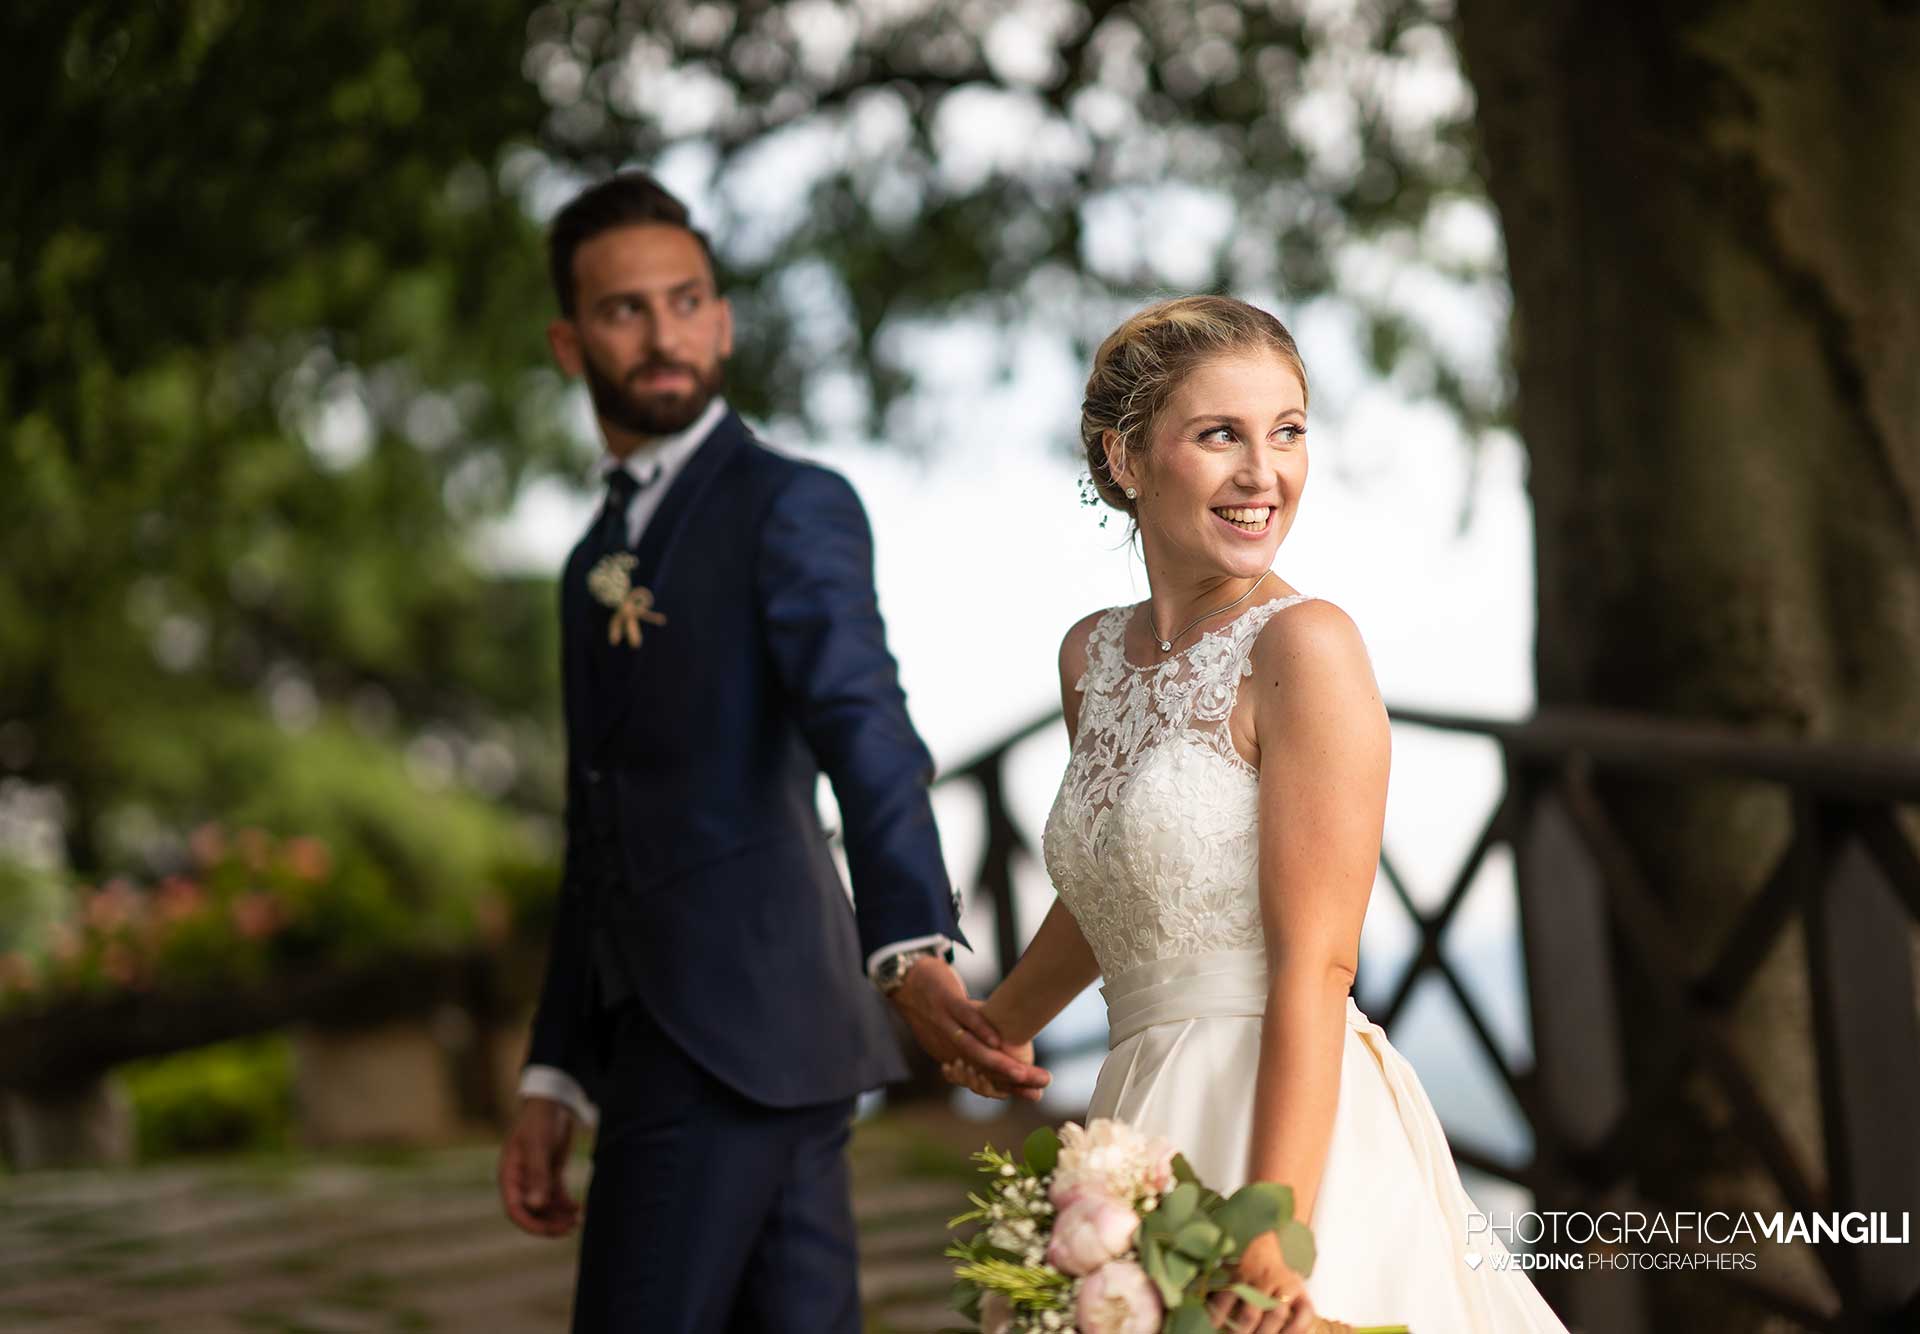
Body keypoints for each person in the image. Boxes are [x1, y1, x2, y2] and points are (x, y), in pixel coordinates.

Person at [945, 296, 1572, 1333]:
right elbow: (1123, 882)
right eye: (1218, 434)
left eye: (1286, 431)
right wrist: (999, 1018)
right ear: (1126, 457)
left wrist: (1272, 1227)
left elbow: (1316, 965)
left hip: (1282, 1112)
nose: (1262, 473)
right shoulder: (1090, 656)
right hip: (1135, 1112)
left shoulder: (1304, 646)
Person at [495, 172, 1050, 1334]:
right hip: (735, 1036)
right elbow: (592, 828)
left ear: (723, 318)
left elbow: (864, 717)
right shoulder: (588, 559)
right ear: (568, 339)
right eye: (623, 309)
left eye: (685, 299)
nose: (662, 333)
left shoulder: (786, 504)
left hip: (725, 1029)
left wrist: (908, 940)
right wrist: (555, 1070)